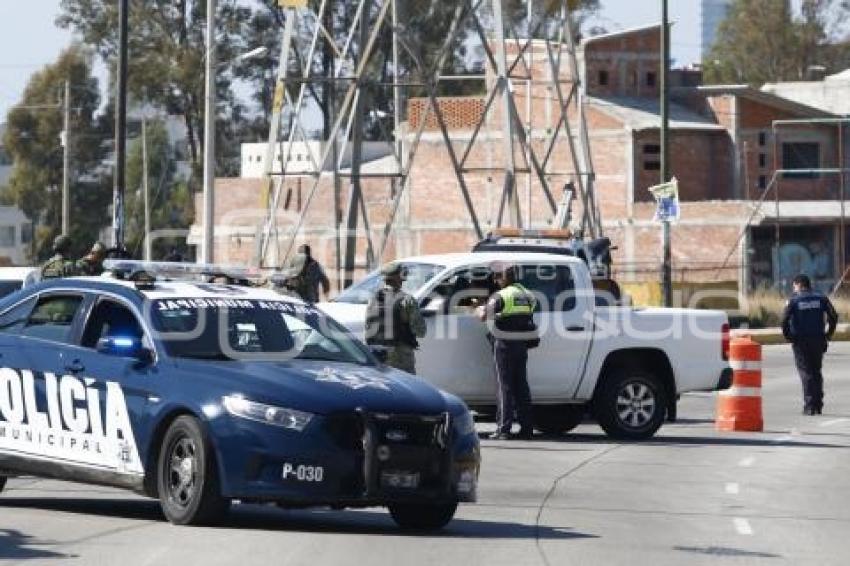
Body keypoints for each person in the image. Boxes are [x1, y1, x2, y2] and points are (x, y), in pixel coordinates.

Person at [477, 263, 537, 440]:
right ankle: (527, 428)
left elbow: (482, 316)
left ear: (502, 278)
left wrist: (479, 308)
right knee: (521, 386)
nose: (495, 281)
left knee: (504, 386)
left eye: (497, 278)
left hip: (504, 344)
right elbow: (524, 314)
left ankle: (503, 429)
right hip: (522, 344)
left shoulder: (500, 296)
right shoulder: (528, 294)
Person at [782, 274, 838, 415]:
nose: (794, 288)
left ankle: (810, 406)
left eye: (794, 286)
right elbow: (834, 316)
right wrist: (828, 335)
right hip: (818, 339)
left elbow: (784, 320)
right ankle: (818, 404)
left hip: (800, 341)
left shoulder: (793, 300)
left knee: (806, 372)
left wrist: (789, 336)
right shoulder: (821, 298)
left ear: (798, 284)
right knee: (816, 371)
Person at [365, 264, 426, 374]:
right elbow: (421, 331)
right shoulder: (407, 300)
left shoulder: (373, 299)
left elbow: (368, 326)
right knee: (407, 387)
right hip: (399, 355)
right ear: (399, 278)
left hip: (376, 354)